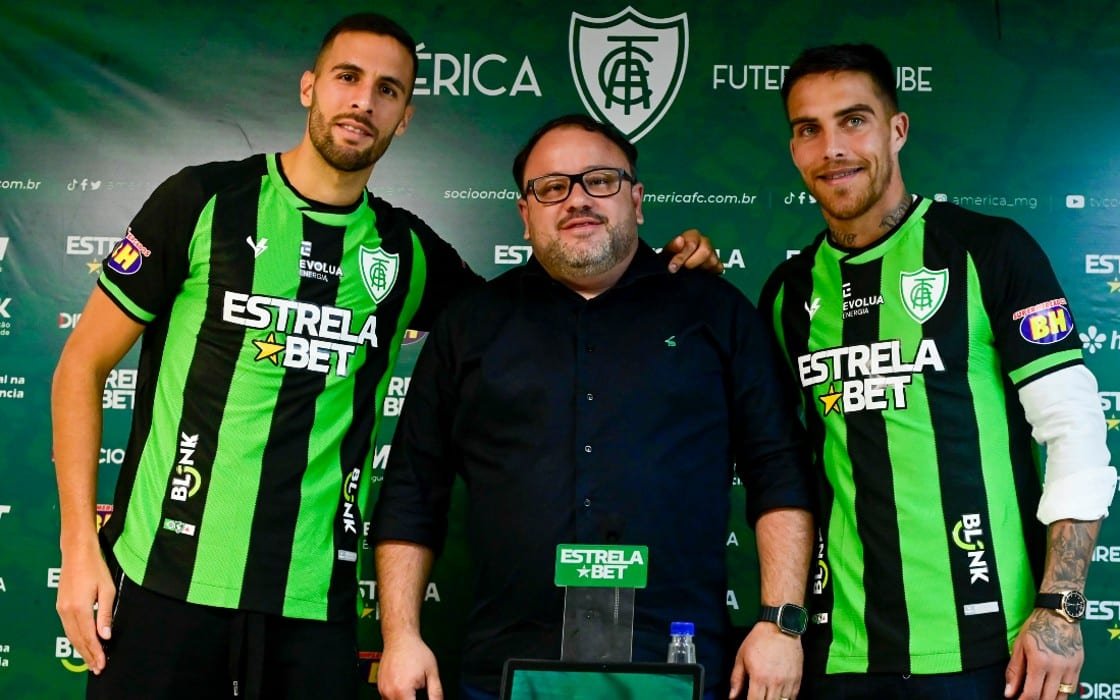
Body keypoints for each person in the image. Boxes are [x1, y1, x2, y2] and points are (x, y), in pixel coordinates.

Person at [50, 14, 717, 699]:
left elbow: (542, 301)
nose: (364, 100)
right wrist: (79, 547)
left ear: (404, 118)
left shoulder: (408, 252)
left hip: (315, 603)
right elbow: (81, 367)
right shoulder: (203, 201)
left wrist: (661, 262)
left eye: (388, 90)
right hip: (165, 580)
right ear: (310, 87)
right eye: (348, 78)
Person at [370, 113, 816, 700]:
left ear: (637, 198)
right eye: (551, 187)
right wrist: (400, 636)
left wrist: (781, 622)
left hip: (680, 661)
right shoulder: (471, 325)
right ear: (524, 215)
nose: (577, 199)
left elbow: (778, 472)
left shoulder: (716, 313)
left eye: (600, 181)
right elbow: (411, 490)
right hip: (507, 664)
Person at [759, 43, 1118, 700]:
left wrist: (1060, 607)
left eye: (853, 120)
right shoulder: (787, 294)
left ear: (897, 129)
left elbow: (1075, 431)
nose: (831, 146)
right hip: (836, 655)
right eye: (809, 129)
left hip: (991, 649)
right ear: (794, 150)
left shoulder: (989, 251)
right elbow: (783, 467)